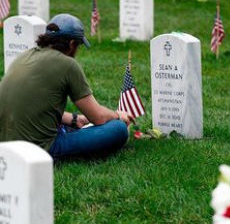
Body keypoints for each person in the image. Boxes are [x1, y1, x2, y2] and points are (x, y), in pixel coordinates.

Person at [0, 14, 134, 159]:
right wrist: (118, 116)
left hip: (5, 142)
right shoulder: (68, 64)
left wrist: (75, 119)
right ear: (71, 44)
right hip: (40, 147)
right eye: (78, 45)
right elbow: (98, 117)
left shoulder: (24, 55)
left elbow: (31, 104)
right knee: (118, 129)